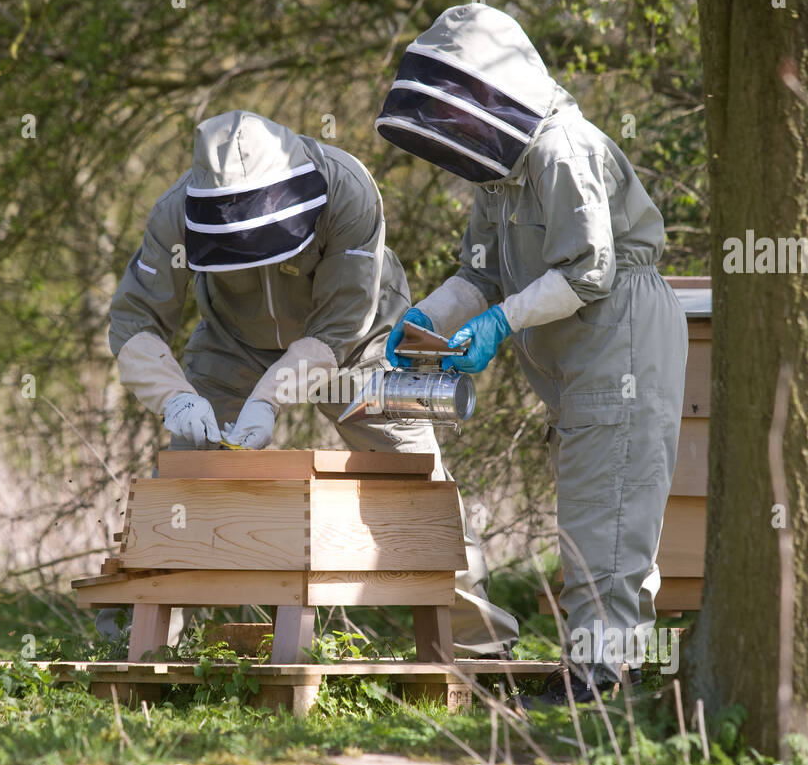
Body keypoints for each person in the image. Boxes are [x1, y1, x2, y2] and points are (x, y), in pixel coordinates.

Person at [104, 109, 519, 657]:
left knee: (415, 474)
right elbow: (134, 321)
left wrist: (270, 398)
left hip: (360, 340)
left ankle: (479, 650)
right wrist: (175, 396)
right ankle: (135, 647)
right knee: (187, 474)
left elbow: (339, 325)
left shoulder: (349, 191)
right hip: (233, 341)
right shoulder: (174, 213)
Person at [377, 5, 687, 700]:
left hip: (621, 336)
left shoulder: (561, 148)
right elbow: (482, 272)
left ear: (492, 92)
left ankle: (600, 683)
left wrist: (495, 326)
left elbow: (587, 270)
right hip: (585, 349)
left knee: (605, 514)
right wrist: (428, 315)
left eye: (459, 110)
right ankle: (610, 672)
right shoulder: (502, 174)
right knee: (600, 510)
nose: (455, 131)